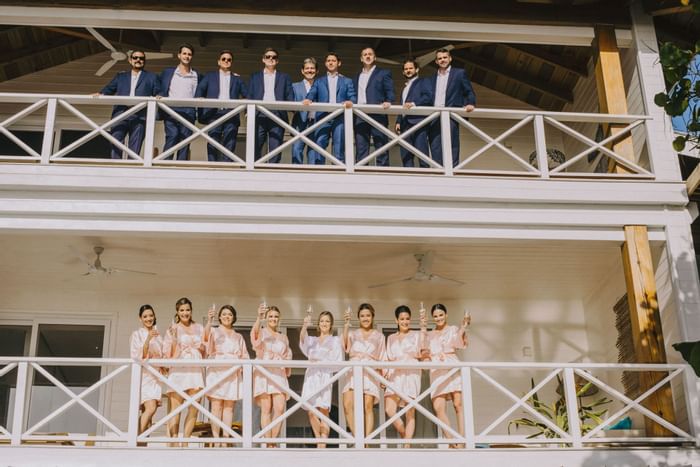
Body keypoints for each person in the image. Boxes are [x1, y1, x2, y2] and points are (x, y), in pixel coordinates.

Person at [163, 297, 211, 445]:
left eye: (187, 310)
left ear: (191, 311)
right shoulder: (173, 328)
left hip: (195, 370)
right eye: (182, 310)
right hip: (179, 368)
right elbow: (166, 351)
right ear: (177, 312)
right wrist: (175, 340)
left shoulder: (199, 328)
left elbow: (206, 347)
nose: (185, 313)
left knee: (194, 408)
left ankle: (185, 441)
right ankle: (174, 441)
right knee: (175, 409)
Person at [96, 50, 159, 160]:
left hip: (140, 116)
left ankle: (132, 168)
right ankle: (116, 166)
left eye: (141, 58)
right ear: (130, 60)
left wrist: (159, 95)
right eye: (135, 58)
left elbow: (158, 91)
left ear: (144, 61)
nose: (138, 60)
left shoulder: (151, 77)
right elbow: (109, 89)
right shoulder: (121, 76)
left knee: (135, 148)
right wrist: (100, 93)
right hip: (121, 114)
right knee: (116, 142)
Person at [424, 303, 470, 448]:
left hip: (452, 365)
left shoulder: (453, 329)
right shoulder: (429, 334)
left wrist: (463, 327)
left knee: (458, 404)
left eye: (441, 315)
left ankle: (462, 440)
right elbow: (424, 352)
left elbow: (459, 343)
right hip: (437, 368)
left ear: (446, 315)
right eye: (436, 316)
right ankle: (451, 441)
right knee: (438, 407)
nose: (438, 318)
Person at [205, 304, 249, 446]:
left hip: (232, 371)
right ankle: (216, 439)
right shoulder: (213, 331)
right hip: (218, 370)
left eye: (229, 314)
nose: (226, 316)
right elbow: (204, 340)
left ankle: (225, 439)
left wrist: (242, 369)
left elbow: (244, 356)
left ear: (234, 317)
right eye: (224, 314)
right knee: (216, 405)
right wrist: (209, 322)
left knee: (229, 407)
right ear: (219, 316)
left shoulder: (238, 336)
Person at [299, 310, 344, 448]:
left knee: (323, 410)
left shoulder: (335, 340)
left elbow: (338, 360)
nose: (324, 323)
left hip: (324, 376)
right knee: (310, 410)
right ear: (318, 323)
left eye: (327, 321)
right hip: (311, 375)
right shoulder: (312, 340)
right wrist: (305, 326)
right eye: (322, 321)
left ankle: (322, 442)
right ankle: (319, 439)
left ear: (331, 324)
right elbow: (302, 341)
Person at [251, 303, 293, 447]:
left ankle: (273, 441)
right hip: (264, 371)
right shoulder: (262, 332)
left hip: (278, 372)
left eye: (276, 316)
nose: (273, 319)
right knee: (266, 407)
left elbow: (288, 355)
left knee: (280, 408)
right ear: (266, 318)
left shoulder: (284, 337)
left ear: (279, 319)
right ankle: (267, 442)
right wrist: (259, 318)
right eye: (271, 316)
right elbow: (254, 338)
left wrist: (286, 365)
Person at [195, 50, 248, 162]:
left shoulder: (237, 78)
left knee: (230, 142)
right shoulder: (210, 76)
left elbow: (246, 94)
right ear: (219, 62)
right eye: (223, 59)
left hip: (231, 114)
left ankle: (227, 166)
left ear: (231, 62)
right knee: (213, 141)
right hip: (214, 113)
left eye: (229, 60)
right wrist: (200, 99)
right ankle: (212, 165)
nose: (226, 61)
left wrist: (245, 106)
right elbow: (200, 89)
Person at [341, 303, 386, 437]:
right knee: (347, 405)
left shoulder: (379, 336)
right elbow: (344, 346)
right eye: (362, 316)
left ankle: (366, 443)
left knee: (367, 406)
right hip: (354, 371)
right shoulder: (352, 334)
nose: (365, 318)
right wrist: (346, 325)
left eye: (368, 315)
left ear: (372, 317)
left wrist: (383, 376)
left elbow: (382, 357)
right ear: (358, 318)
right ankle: (358, 438)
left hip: (370, 371)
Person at [303, 52, 356, 164]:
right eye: (328, 61)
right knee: (320, 143)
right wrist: (308, 99)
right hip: (322, 116)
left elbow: (352, 97)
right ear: (326, 64)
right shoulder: (319, 80)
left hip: (340, 117)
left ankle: (338, 171)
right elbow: (312, 93)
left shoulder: (347, 81)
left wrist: (350, 101)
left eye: (333, 60)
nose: (331, 62)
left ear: (339, 63)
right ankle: (319, 170)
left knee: (339, 145)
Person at [384, 305, 425, 448]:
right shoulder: (390, 338)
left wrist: (424, 329)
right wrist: (386, 375)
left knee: (410, 411)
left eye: (407, 319)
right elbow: (388, 358)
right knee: (389, 409)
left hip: (411, 372)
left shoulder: (416, 335)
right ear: (396, 320)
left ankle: (406, 447)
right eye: (402, 319)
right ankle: (405, 436)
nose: (405, 321)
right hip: (395, 372)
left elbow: (422, 352)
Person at [427, 48, 476, 167]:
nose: (442, 60)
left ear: (450, 58)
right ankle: (438, 170)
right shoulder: (432, 78)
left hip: (451, 115)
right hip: (435, 115)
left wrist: (471, 103)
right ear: (436, 62)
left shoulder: (459, 73)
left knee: (452, 144)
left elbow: (469, 91)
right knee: (435, 144)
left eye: (445, 57)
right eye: (440, 58)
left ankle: (452, 170)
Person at [247, 48, 294, 163]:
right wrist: (247, 112)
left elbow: (289, 96)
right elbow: (250, 95)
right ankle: (254, 169)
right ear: (263, 59)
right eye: (268, 56)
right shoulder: (255, 76)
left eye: (273, 57)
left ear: (277, 61)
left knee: (276, 146)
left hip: (278, 115)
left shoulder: (284, 77)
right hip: (259, 113)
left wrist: (295, 109)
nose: (271, 59)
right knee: (256, 144)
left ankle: (273, 170)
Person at [352, 47, 394, 166]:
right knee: (361, 146)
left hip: (378, 113)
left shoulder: (384, 73)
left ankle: (383, 170)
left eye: (370, 54)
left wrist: (389, 101)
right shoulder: (356, 76)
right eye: (365, 54)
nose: (368, 56)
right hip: (360, 114)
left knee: (381, 144)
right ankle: (361, 170)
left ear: (374, 57)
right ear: (361, 58)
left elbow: (389, 91)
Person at [159, 44, 200, 161]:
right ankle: (165, 164)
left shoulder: (196, 75)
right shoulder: (168, 72)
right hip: (171, 110)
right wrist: (159, 94)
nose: (187, 56)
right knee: (172, 136)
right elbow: (157, 85)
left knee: (185, 140)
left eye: (189, 54)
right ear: (179, 55)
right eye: (184, 53)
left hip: (189, 111)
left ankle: (181, 164)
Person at [129, 304, 164, 436]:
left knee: (148, 415)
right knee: (151, 408)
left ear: (154, 316)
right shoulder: (137, 334)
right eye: (145, 316)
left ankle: (143, 445)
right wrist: (148, 339)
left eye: (150, 315)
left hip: (156, 376)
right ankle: (136, 439)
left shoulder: (158, 335)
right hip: (144, 376)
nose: (148, 318)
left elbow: (162, 355)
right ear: (140, 318)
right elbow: (138, 356)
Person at [395, 59, 432, 168]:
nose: (408, 71)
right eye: (406, 69)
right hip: (405, 124)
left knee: (422, 153)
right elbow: (403, 105)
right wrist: (398, 121)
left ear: (416, 69)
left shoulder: (423, 82)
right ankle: (408, 177)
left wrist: (414, 104)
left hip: (418, 122)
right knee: (406, 154)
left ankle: (426, 177)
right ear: (403, 72)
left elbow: (428, 97)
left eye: (410, 68)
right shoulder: (404, 88)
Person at [291, 57, 317, 164]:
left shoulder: (321, 85)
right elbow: (292, 104)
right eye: (307, 68)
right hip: (299, 123)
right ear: (302, 71)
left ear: (316, 71)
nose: (309, 70)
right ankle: (296, 177)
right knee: (296, 151)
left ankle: (313, 178)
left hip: (316, 123)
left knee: (314, 154)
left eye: (312, 68)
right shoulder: (294, 86)